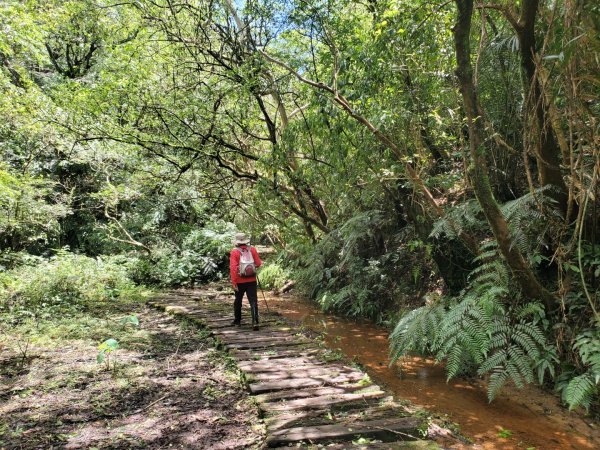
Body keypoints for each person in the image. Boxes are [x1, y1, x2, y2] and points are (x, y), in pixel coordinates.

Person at [229, 232, 262, 330]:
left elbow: (233, 268)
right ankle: (255, 322)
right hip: (251, 280)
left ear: (237, 242)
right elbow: (259, 263)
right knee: (253, 301)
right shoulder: (252, 249)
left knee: (238, 301)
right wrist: (251, 269)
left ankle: (237, 321)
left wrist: (234, 282)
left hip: (239, 281)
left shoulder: (234, 252)